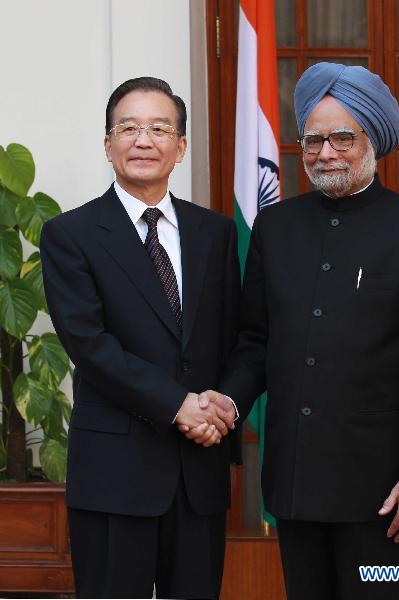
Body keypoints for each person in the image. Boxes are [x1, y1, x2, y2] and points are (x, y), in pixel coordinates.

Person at [185, 63, 399, 599]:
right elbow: (256, 343)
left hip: (384, 490)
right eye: (313, 139)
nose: (325, 152)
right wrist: (226, 400)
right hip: (296, 478)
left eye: (342, 137)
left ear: (372, 141)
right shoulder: (277, 227)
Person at [40, 76, 239, 599]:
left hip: (199, 473)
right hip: (114, 478)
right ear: (108, 144)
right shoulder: (70, 235)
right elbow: (91, 345)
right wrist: (179, 406)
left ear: (181, 145)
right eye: (128, 128)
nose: (143, 140)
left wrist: (223, 405)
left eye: (159, 128)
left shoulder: (214, 234)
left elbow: (240, 337)